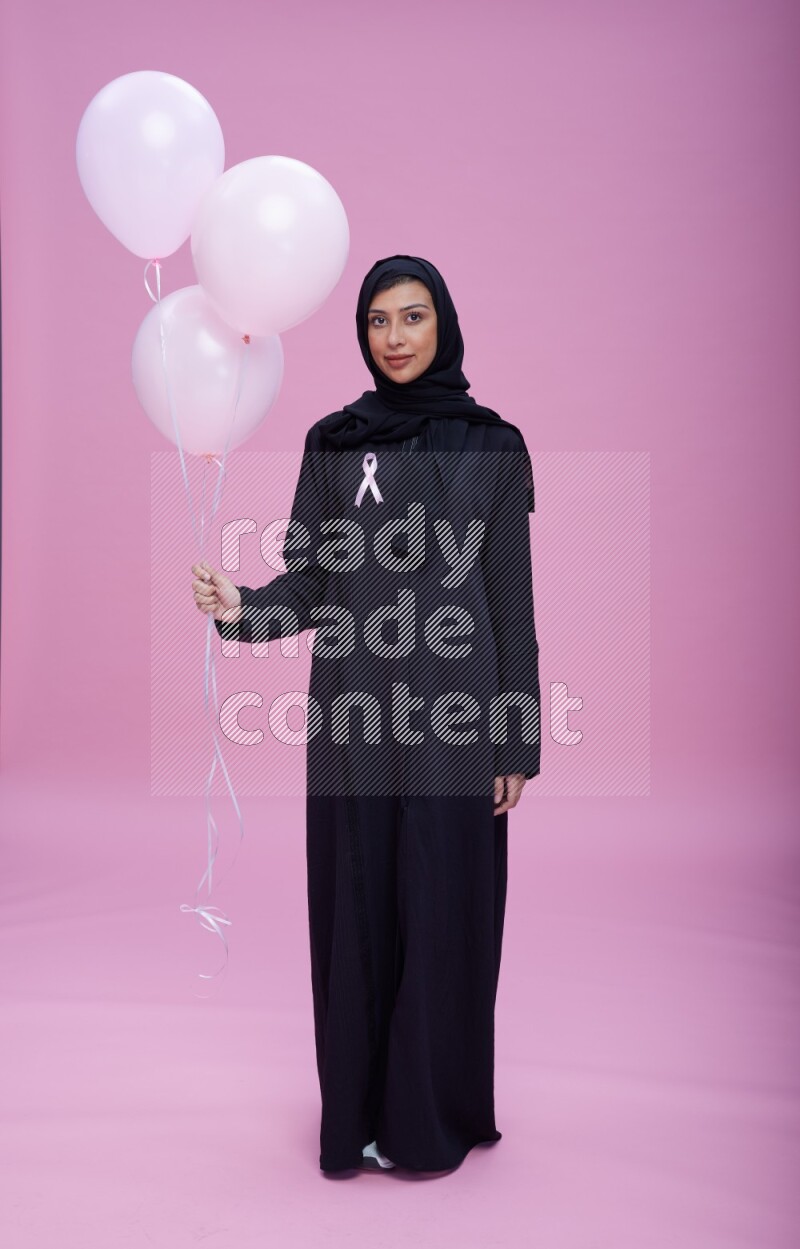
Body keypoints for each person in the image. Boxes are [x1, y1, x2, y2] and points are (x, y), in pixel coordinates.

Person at [191, 254, 540, 1175]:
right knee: (361, 909)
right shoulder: (334, 443)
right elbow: (313, 580)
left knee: (442, 909)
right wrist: (242, 606)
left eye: (413, 317)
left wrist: (516, 742)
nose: (395, 337)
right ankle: (360, 1115)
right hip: (354, 724)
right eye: (379, 321)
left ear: (443, 324)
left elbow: (511, 604)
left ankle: (430, 1121)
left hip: (457, 725)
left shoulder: (494, 446)